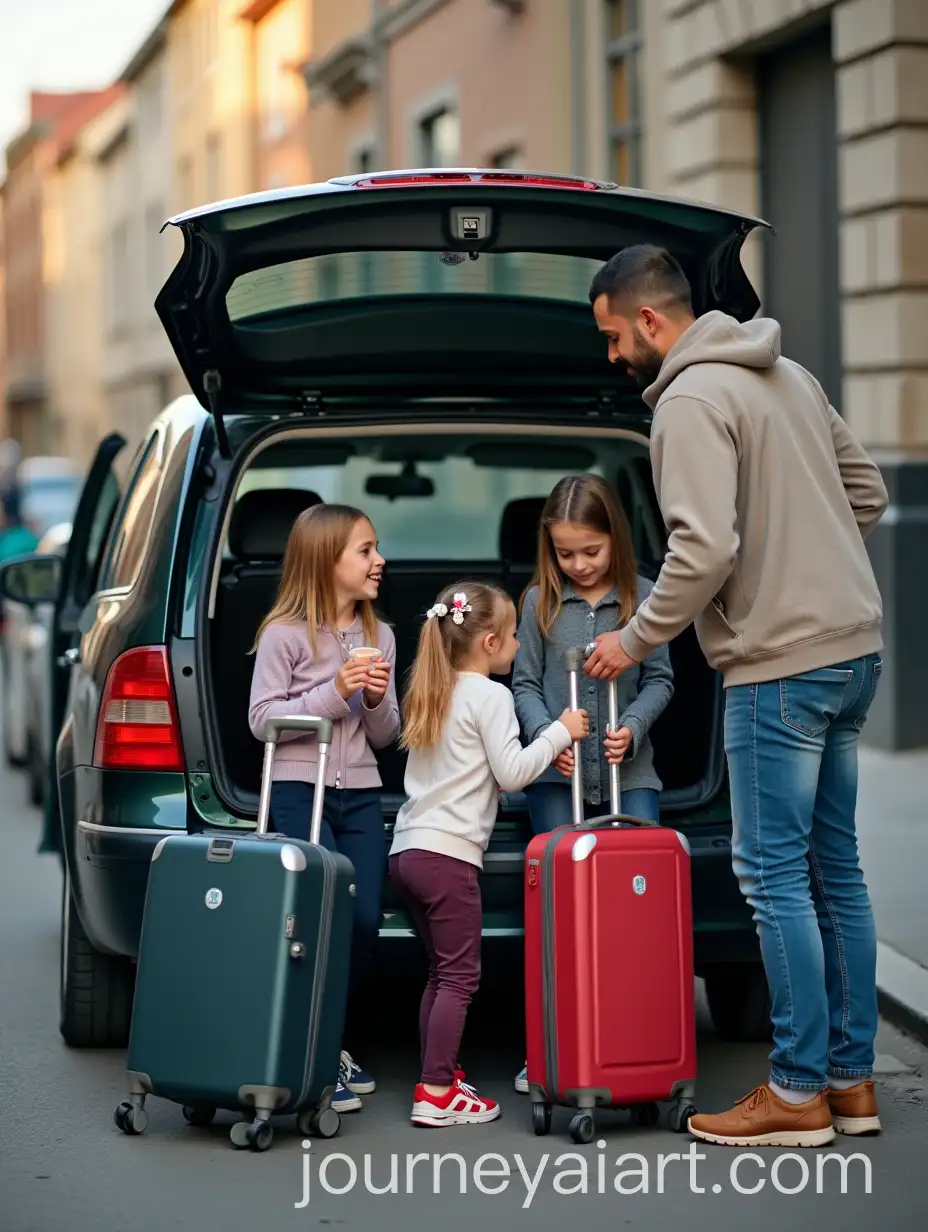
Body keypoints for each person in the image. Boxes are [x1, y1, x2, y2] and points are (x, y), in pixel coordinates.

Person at [582, 243, 889, 1148]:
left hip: (778, 669)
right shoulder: (788, 374)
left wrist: (633, 639)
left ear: (649, 320)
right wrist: (806, 551)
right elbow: (864, 495)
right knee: (839, 872)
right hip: (853, 653)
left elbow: (704, 550)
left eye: (611, 337)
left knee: (773, 878)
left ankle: (795, 1092)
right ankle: (852, 1081)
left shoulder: (685, 402)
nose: (610, 358)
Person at [389, 581, 588, 1127]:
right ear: (491, 641)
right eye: (517, 638)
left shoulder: (432, 687)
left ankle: (440, 1074)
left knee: (439, 972)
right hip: (449, 858)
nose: (522, 647)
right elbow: (513, 772)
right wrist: (560, 735)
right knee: (460, 978)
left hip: (407, 851)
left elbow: (475, 773)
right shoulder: (492, 696)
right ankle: (435, 1092)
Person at [509, 471, 674, 1094]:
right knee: (557, 914)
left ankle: (636, 1040)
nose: (577, 564)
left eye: (591, 551)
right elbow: (523, 681)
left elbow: (661, 679)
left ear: (616, 541)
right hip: (560, 778)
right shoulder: (538, 604)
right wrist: (546, 736)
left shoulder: (645, 598)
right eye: (564, 553)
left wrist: (630, 727)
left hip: (631, 776)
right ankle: (553, 1046)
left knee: (638, 916)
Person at [248, 502, 400, 1115]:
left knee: (363, 919)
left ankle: (328, 1038)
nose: (378, 560)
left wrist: (375, 698)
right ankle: (315, 1049)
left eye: (375, 548)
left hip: (360, 791)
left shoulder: (380, 634)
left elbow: (386, 735)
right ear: (325, 560)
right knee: (321, 918)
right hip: (297, 788)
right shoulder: (282, 635)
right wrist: (336, 692)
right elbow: (264, 722)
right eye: (364, 550)